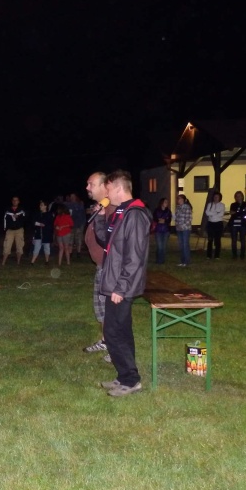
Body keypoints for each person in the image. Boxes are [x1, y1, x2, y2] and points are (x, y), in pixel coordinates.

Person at [93, 170, 151, 397]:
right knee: (118, 330)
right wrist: (100, 217)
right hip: (114, 281)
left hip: (121, 285)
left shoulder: (135, 214)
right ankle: (124, 376)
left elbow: (134, 256)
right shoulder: (120, 212)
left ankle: (131, 380)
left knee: (115, 332)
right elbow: (106, 242)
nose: (105, 194)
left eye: (107, 189)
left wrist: (122, 287)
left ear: (118, 188)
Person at [81, 172, 116, 353]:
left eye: (91, 184)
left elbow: (109, 239)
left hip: (109, 268)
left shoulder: (112, 209)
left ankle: (115, 349)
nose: (87, 187)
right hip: (101, 266)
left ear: (104, 186)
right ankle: (106, 341)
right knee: (101, 310)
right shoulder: (101, 206)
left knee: (110, 311)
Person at [1, 197, 26, 265]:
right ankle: (3, 263)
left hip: (19, 230)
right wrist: (5, 228)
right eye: (13, 200)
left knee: (19, 246)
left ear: (18, 201)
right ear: (12, 201)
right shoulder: (8, 210)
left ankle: (18, 263)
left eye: (16, 200)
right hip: (10, 230)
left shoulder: (22, 210)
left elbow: (25, 219)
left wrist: (18, 217)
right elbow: (4, 220)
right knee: (7, 246)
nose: (15, 201)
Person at [228, 191, 246, 259]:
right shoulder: (233, 204)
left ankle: (242, 255)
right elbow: (231, 212)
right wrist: (240, 212)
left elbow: (245, 212)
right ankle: (234, 255)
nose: (238, 197)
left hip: (243, 223)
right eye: (237, 196)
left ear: (242, 196)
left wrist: (236, 212)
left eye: (239, 196)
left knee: (243, 239)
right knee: (234, 239)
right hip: (233, 223)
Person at [30, 200, 54, 264]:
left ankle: (47, 261)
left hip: (46, 234)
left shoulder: (49, 214)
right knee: (36, 247)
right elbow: (33, 222)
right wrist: (39, 224)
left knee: (47, 248)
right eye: (40, 205)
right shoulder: (38, 214)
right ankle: (32, 262)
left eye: (41, 205)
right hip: (38, 234)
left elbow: (50, 224)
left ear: (45, 206)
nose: (40, 206)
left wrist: (44, 225)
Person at [204, 191, 225, 259]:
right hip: (210, 223)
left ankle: (217, 255)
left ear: (220, 198)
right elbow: (207, 212)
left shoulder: (222, 205)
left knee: (217, 240)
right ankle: (209, 255)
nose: (216, 198)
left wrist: (212, 214)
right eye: (215, 197)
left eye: (217, 197)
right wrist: (215, 213)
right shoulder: (210, 204)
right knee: (210, 239)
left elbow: (221, 214)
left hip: (218, 224)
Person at [174, 194, 192, 267]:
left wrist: (182, 226)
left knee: (185, 245)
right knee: (181, 245)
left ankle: (186, 261)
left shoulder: (187, 207)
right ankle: (182, 261)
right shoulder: (178, 207)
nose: (179, 200)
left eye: (181, 199)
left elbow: (188, 219)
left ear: (184, 200)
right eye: (178, 199)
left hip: (185, 229)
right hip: (179, 229)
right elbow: (176, 218)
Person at [152, 198, 172, 264]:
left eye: (167, 202)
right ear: (162, 203)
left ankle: (162, 260)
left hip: (166, 230)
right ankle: (158, 260)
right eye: (165, 202)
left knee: (164, 246)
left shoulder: (168, 211)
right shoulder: (157, 210)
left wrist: (165, 221)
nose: (166, 203)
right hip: (158, 230)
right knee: (159, 246)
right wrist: (159, 220)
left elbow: (169, 219)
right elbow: (154, 218)